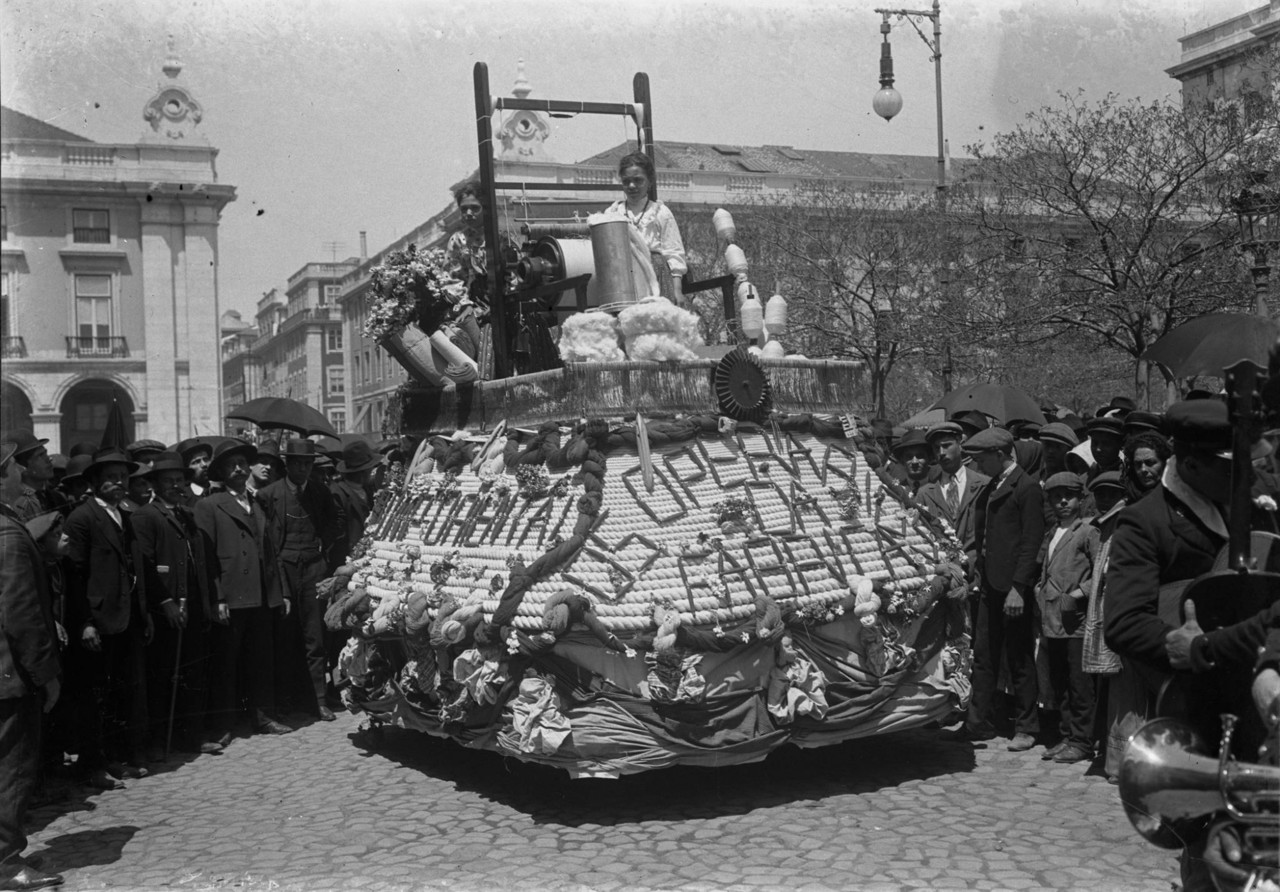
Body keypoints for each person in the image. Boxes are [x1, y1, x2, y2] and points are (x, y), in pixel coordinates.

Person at [951, 427, 1045, 750]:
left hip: (1013, 587)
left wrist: (1019, 587)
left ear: (1000, 455)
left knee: (1019, 657)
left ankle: (1027, 727)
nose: (978, 465)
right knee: (984, 655)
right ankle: (976, 722)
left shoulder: (1026, 488)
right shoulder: (992, 486)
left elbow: (1031, 542)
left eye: (982, 459)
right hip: (990, 585)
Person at [62, 448, 152, 778]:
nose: (119, 483)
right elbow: (74, 576)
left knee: (121, 692)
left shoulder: (124, 517)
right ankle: (93, 764)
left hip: (125, 618)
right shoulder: (82, 518)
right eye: (111, 477)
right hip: (98, 621)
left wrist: (144, 612)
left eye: (123, 477)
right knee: (94, 695)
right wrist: (85, 623)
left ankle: (119, 756)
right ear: (95, 482)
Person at [194, 440, 291, 742]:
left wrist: (282, 592)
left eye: (241, 463)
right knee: (227, 663)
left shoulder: (259, 502)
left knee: (261, 659)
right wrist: (217, 597)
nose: (238, 469)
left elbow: (273, 551)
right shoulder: (210, 505)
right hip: (232, 596)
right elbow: (206, 558)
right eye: (230, 465)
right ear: (221, 472)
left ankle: (263, 717)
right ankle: (223, 724)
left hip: (262, 594)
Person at [0, 442, 65, 892]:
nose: (19, 474)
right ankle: (6, 864)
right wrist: (46, 675)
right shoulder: (7, 534)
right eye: (11, 468)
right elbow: (21, 614)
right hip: (10, 675)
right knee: (11, 768)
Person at [131, 453, 220, 757]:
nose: (175, 486)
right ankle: (159, 741)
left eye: (179, 480)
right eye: (168, 481)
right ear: (155, 485)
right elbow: (144, 565)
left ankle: (191, 738)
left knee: (192, 673)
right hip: (165, 608)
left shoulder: (187, 514)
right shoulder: (146, 516)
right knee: (163, 675)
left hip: (192, 603)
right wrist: (164, 601)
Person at [256, 439, 343, 721]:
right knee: (285, 636)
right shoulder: (269, 495)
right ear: (287, 464)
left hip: (314, 568)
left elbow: (335, 522)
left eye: (307, 463)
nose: (303, 469)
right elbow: (264, 537)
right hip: (283, 569)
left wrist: (323, 544)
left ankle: (318, 700)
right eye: (297, 463)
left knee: (315, 635)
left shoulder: (320, 491)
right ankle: (286, 700)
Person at [1033, 472, 1096, 764]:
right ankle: (1067, 735)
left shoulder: (1087, 531)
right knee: (1060, 682)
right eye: (1056, 497)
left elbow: (1102, 573)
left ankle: (1082, 741)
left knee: (1079, 684)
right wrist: (1039, 590)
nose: (1062, 502)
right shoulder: (1052, 532)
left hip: (1076, 620)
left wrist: (1078, 594)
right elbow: (1045, 570)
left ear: (1080, 499)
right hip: (1052, 618)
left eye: (1068, 496)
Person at [1078, 471, 1127, 781]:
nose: (1105, 499)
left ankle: (1117, 755)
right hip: (1103, 608)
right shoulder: (1102, 525)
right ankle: (1106, 748)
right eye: (1100, 494)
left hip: (1119, 606)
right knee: (1106, 682)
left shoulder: (1122, 520)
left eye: (1112, 493)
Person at [606, 151, 688, 306]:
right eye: (626, 181)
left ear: (649, 182)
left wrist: (677, 290)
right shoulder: (613, 212)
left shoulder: (660, 212)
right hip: (624, 279)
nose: (632, 186)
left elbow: (674, 252)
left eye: (638, 180)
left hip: (656, 277)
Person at [917, 422, 989, 574]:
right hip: (943, 575)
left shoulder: (983, 485)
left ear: (960, 443)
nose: (941, 452)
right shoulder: (925, 493)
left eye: (947, 445)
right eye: (936, 448)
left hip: (979, 573)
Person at [4, 431, 66, 523]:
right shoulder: (16, 504)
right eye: (40, 456)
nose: (48, 459)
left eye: (45, 453)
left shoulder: (57, 498)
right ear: (21, 466)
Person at [1121, 430, 1170, 503]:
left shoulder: (1177, 498)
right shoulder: (1125, 501)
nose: (1143, 469)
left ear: (1164, 463)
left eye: (1150, 463)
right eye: (1138, 464)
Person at [889, 428, 933, 496]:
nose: (914, 462)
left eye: (919, 456)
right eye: (909, 457)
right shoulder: (897, 490)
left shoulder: (938, 489)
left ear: (929, 458)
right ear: (902, 460)